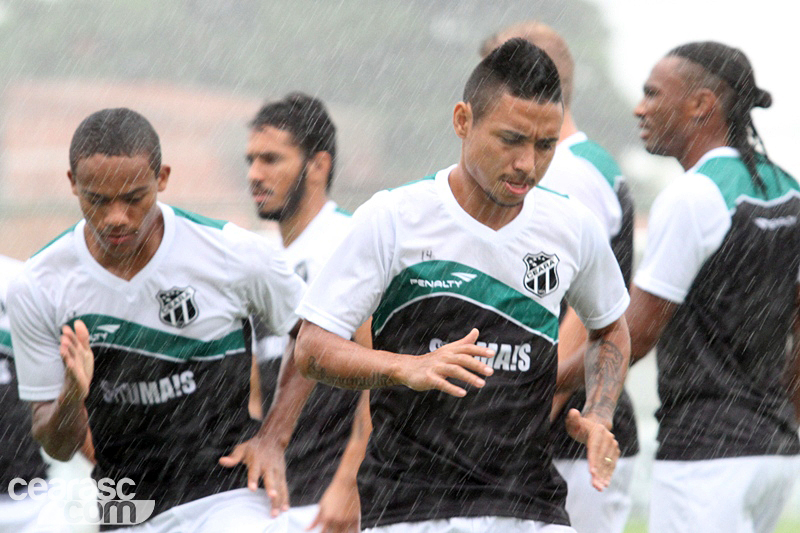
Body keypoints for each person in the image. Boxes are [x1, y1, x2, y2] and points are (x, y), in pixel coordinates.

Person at [293, 38, 631, 533]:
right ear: (462, 121)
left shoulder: (572, 226)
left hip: (530, 506)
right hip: (411, 508)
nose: (528, 164)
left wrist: (599, 413)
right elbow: (312, 348)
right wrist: (405, 367)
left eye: (545, 145)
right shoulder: (393, 218)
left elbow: (611, 329)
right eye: (511, 139)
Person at [8, 107, 307, 531]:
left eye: (134, 198)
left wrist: (274, 437)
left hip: (225, 494)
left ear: (162, 177)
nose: (117, 217)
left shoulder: (232, 253)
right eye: (97, 200)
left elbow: (314, 335)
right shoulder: (37, 284)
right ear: (73, 183)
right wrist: (72, 396)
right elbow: (57, 446)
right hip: (125, 505)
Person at [628, 41, 800, 532]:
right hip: (775, 453)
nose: (640, 108)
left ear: (701, 104)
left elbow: (633, 337)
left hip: (705, 458)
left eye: (653, 94)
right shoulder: (789, 188)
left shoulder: (692, 196)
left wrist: (545, 383)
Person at [481, 22, 638, 533]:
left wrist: (523, 422)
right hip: (570, 424)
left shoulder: (568, 173)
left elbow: (580, 314)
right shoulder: (586, 163)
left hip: (567, 432)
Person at [245, 92, 371, 533]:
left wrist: (349, 483)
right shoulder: (258, 259)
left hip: (331, 500)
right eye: (250, 161)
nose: (254, 174)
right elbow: (256, 389)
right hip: (272, 500)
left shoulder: (351, 241)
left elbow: (383, 383)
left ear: (318, 165)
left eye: (271, 159)